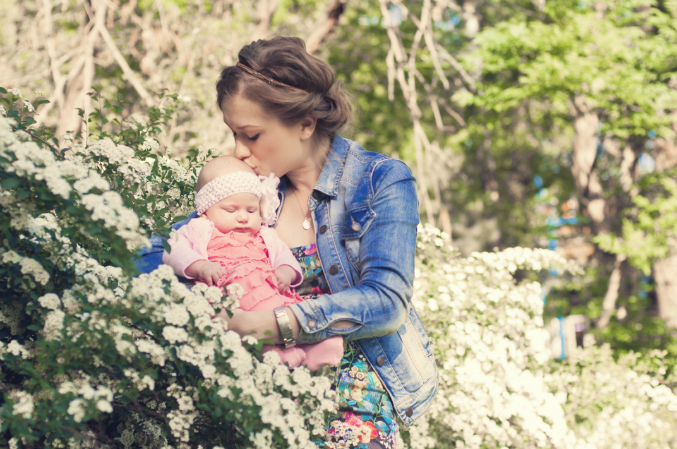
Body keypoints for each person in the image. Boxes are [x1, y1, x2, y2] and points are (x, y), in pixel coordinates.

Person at [139, 36, 437, 448]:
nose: (239, 151)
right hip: (263, 394)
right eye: (234, 134)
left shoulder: (380, 180)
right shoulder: (252, 193)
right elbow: (156, 251)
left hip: (358, 396)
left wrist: (265, 324)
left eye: (251, 135)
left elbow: (387, 303)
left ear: (305, 124)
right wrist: (205, 295)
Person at [162, 155, 343, 371]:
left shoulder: (265, 235)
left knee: (296, 312)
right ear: (206, 211)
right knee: (256, 327)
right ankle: (277, 354)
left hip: (271, 292)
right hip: (232, 298)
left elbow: (283, 256)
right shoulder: (198, 228)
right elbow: (172, 250)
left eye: (251, 210)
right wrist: (200, 266)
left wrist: (286, 271)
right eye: (231, 210)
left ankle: (316, 350)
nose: (243, 217)